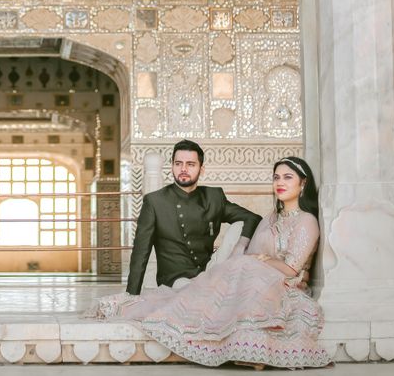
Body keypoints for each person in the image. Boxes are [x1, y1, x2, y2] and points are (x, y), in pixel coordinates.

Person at [89, 155, 331, 369]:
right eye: (276, 177)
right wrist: (248, 256)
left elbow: (291, 268)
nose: (280, 183)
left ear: (303, 184)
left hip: (285, 287)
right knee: (225, 278)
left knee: (238, 271)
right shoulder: (271, 218)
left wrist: (259, 259)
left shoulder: (306, 221)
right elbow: (251, 253)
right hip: (255, 276)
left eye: (288, 177)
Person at [126, 140, 261, 293]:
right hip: (176, 279)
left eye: (190, 164)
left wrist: (240, 247)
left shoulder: (213, 197)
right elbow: (140, 253)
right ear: (172, 166)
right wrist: (131, 295)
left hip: (210, 270)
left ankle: (217, 283)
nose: (183, 169)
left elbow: (253, 218)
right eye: (178, 163)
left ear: (201, 169)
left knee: (240, 225)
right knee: (193, 292)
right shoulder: (155, 202)